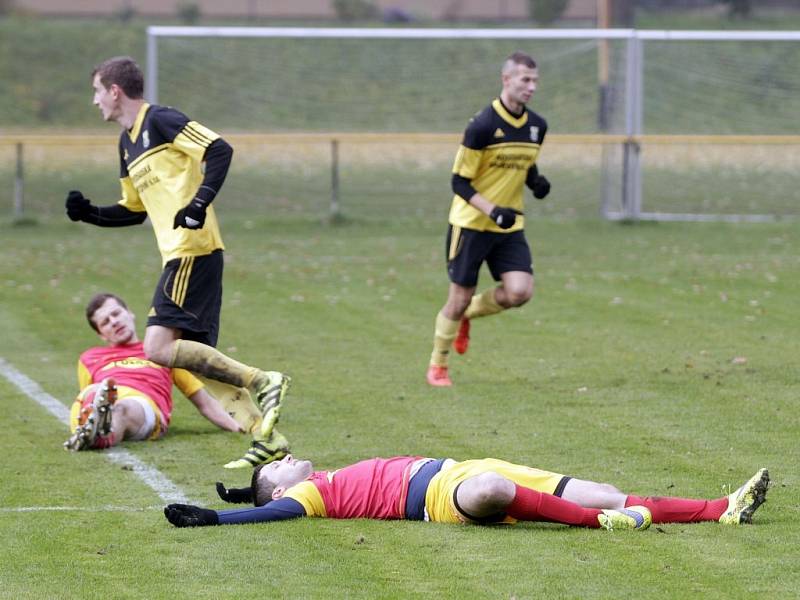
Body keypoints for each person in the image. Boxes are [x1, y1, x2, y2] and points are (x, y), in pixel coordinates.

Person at [64, 56, 289, 466]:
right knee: (200, 359)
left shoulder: (162, 120)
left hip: (192, 248)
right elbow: (134, 209)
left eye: (97, 91)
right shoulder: (126, 142)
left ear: (115, 91)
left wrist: (199, 203)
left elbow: (219, 150)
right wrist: (89, 213)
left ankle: (264, 380)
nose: (95, 100)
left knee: (157, 347)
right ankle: (269, 441)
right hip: (182, 252)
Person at [163, 454, 769, 533]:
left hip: (467, 464)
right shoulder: (309, 498)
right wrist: (215, 517)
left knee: (609, 488)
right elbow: (268, 512)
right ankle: (599, 525)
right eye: (282, 466)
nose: (292, 460)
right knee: (491, 491)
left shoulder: (325, 476)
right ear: (281, 485)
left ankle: (723, 510)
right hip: (447, 497)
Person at [427, 51, 552, 387]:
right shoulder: (482, 126)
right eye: (525, 80)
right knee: (458, 297)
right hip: (471, 224)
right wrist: (492, 209)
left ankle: (467, 314)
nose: (531, 87)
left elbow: (523, 162)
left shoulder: (538, 126)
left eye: (535, 81)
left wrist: (535, 181)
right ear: (506, 79)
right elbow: (459, 182)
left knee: (520, 292)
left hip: (510, 225)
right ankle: (438, 366)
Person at [64, 293, 289, 467]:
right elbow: (86, 394)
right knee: (96, 394)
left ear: (129, 313)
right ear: (102, 334)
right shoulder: (89, 358)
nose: (114, 322)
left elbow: (204, 402)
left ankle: (98, 434)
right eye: (105, 322)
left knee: (121, 408)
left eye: (116, 313)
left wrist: (239, 426)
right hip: (101, 397)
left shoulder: (163, 351)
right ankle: (95, 426)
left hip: (143, 406)